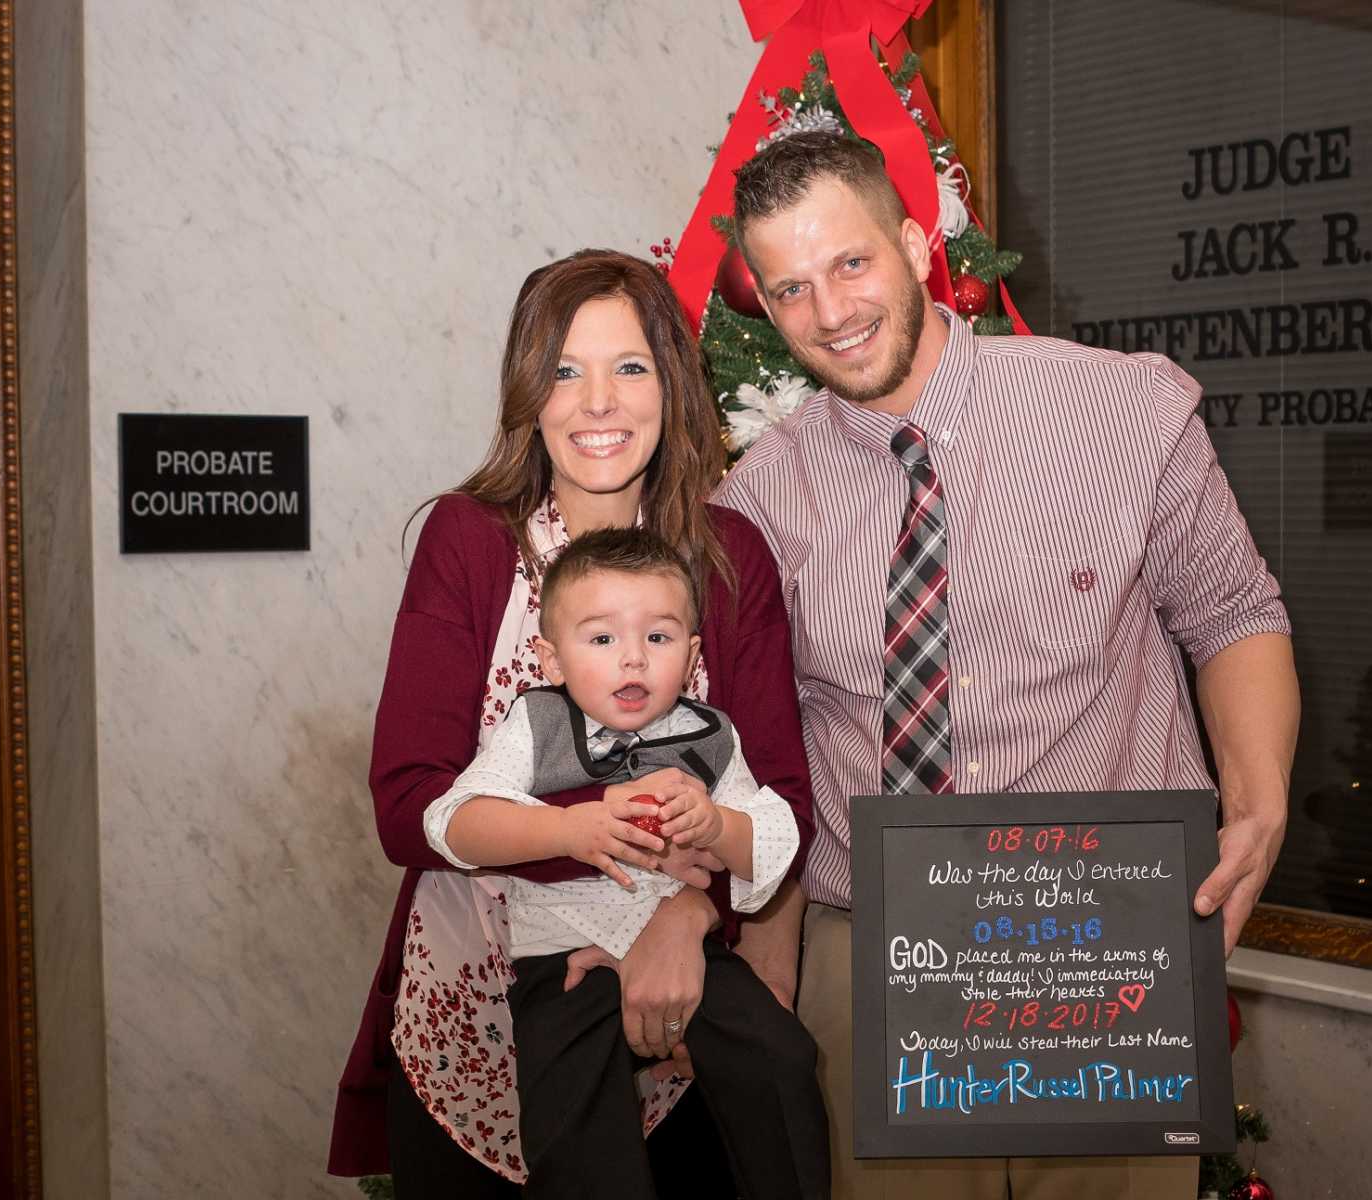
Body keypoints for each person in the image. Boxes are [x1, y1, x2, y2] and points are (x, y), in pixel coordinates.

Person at [713, 131, 1300, 1200]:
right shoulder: (753, 501)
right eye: (790, 288)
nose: (832, 312)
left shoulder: (1119, 410)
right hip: (878, 966)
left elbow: (1231, 613)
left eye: (850, 264)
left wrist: (1257, 805)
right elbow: (755, 752)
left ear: (911, 238)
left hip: (1103, 950)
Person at [328, 249, 817, 1197]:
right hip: (474, 1025)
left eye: (629, 367)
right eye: (565, 369)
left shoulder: (731, 561)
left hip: (665, 1026)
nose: (599, 402)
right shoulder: (470, 542)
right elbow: (407, 806)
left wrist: (687, 915)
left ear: (671, 385)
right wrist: (617, 869)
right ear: (529, 391)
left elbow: (779, 805)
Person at [424, 526, 826, 1198]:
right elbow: (451, 821)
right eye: (602, 639)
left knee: (780, 1056)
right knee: (574, 1125)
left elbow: (775, 842)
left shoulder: (711, 734)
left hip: (688, 952)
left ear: (692, 654)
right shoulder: (537, 724)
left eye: (659, 638)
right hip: (563, 961)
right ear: (552, 660)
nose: (632, 660)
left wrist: (718, 824)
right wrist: (567, 828)